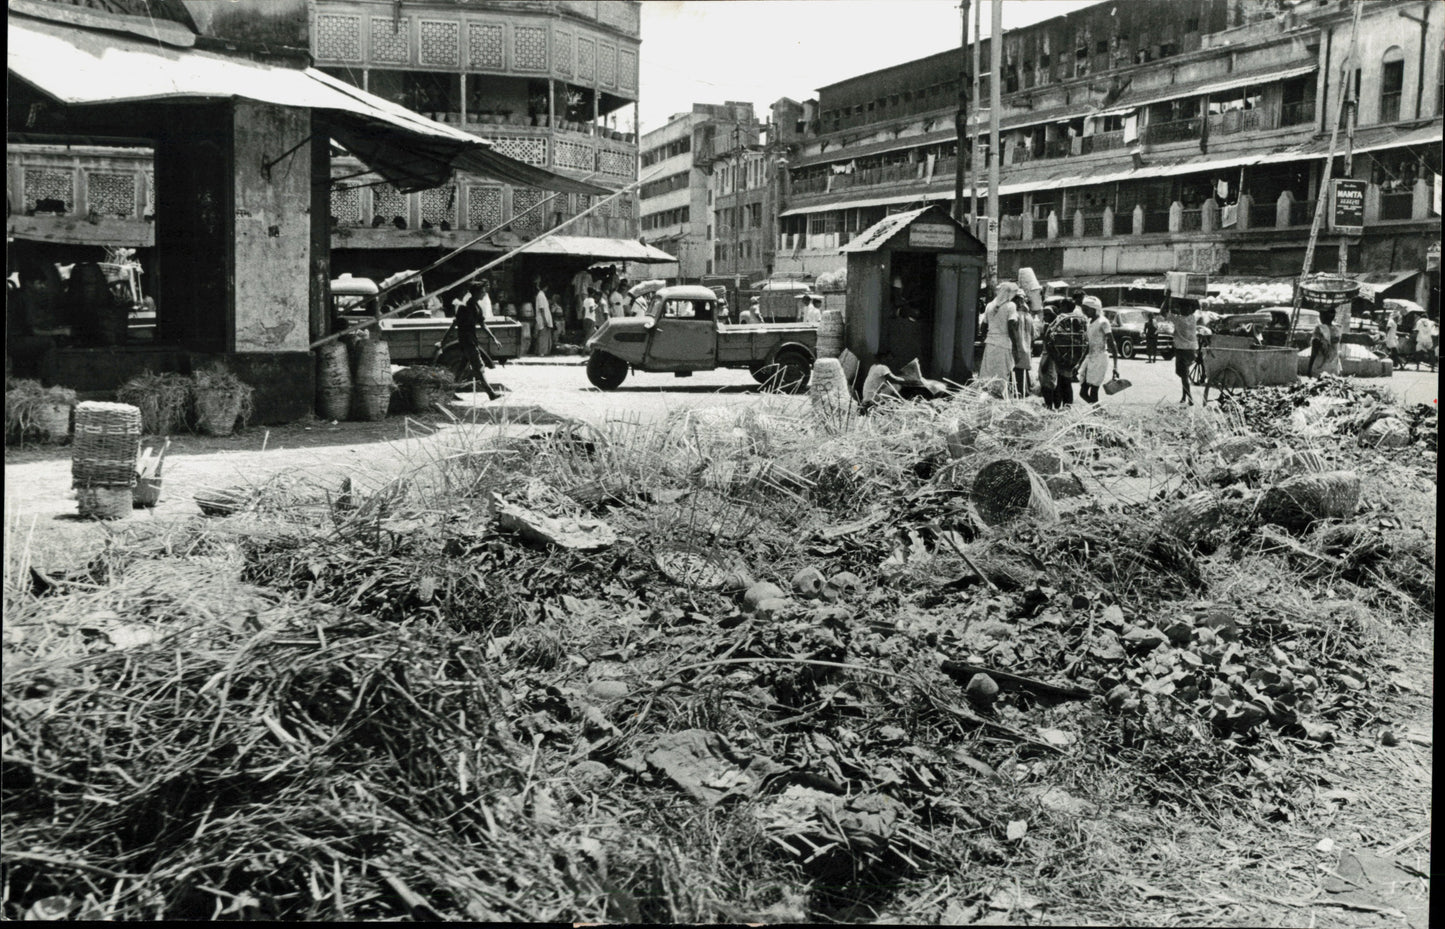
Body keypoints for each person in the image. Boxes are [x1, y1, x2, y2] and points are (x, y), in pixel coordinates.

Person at [453, 285, 502, 401]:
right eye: (482, 292)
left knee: (461, 369)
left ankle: (449, 391)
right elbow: (455, 323)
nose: (484, 294)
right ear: (475, 293)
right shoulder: (464, 307)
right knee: (479, 367)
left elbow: (482, 324)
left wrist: (494, 338)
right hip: (467, 341)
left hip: (470, 341)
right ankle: (491, 393)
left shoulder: (476, 307)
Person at [979, 281, 1022, 395]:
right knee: (1002, 375)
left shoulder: (989, 306)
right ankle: (1000, 399)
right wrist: (1016, 348)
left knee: (988, 375)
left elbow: (983, 326)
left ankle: (987, 398)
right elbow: (1011, 327)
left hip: (990, 345)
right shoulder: (1010, 306)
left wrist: (987, 337)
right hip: (1003, 345)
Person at [1077, 295, 1117, 404]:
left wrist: (1115, 367)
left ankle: (1096, 413)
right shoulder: (1089, 322)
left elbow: (1112, 344)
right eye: (1084, 309)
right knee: (1083, 392)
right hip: (1090, 358)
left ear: (1095, 309)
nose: (1085, 312)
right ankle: (1098, 410)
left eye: (1087, 309)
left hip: (1100, 358)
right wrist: (1079, 362)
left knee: (1094, 390)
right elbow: (1088, 345)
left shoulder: (1103, 322)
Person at [1167, 297, 1200, 405]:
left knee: (1183, 374)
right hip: (1192, 350)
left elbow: (1162, 311)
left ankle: (1190, 398)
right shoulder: (1194, 318)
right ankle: (1184, 397)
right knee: (1183, 373)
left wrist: (1168, 298)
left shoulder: (1178, 319)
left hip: (1181, 350)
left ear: (1181, 309)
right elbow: (1198, 307)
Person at [1012, 293, 1035, 398]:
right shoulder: (1028, 316)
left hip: (1017, 345)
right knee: (1024, 369)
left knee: (1016, 370)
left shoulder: (1015, 315)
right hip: (1027, 346)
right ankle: (1026, 390)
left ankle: (1019, 392)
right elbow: (1033, 334)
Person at [1309, 306, 1343, 377]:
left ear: (1323, 316)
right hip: (1334, 365)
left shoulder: (1319, 329)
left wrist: (1309, 367)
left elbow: (1314, 349)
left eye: (1320, 315)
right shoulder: (1337, 329)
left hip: (1320, 365)